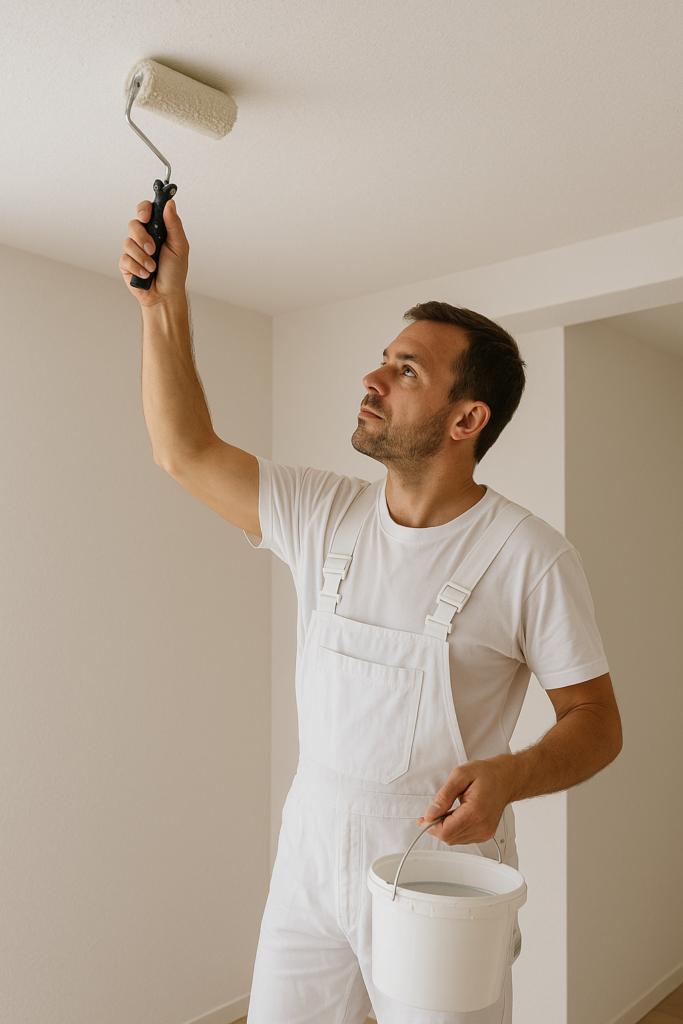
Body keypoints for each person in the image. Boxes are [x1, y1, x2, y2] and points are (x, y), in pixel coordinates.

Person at [120, 200, 623, 1024]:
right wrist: (162, 304)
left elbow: (595, 722)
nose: (372, 379)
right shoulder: (322, 513)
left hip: (441, 871)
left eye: (406, 371)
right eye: (383, 360)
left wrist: (510, 775)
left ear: (466, 419)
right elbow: (183, 450)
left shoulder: (529, 556)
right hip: (311, 851)